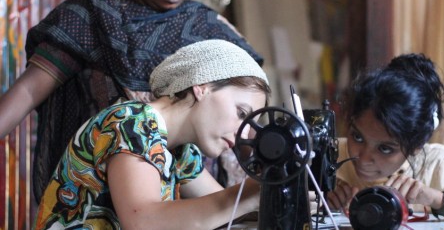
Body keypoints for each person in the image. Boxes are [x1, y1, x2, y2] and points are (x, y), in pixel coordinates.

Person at [0, 0, 263, 203]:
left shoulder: (210, 29)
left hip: (189, 194)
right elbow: (27, 91)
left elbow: (247, 112)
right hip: (96, 190)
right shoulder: (92, 16)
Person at [33, 39, 271, 229]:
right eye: (242, 113)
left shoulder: (181, 152)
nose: (245, 132)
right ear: (203, 86)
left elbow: (229, 212)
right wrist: (247, 194)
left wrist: (277, 197)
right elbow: (143, 221)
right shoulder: (132, 124)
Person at [327, 53, 444, 229]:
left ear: (416, 147)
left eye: (385, 149)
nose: (363, 158)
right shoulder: (328, 157)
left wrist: (436, 200)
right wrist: (317, 203)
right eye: (357, 137)